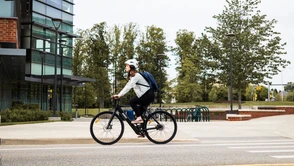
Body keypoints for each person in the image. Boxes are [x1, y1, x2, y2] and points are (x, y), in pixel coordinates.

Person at [112, 59, 155, 124]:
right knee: (139, 113)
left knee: (132, 102)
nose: (125, 67)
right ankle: (142, 131)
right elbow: (128, 85)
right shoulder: (133, 77)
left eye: (127, 65)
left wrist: (120, 95)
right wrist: (119, 94)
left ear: (131, 67)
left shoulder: (136, 76)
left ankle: (139, 118)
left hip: (148, 95)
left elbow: (129, 87)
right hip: (147, 95)